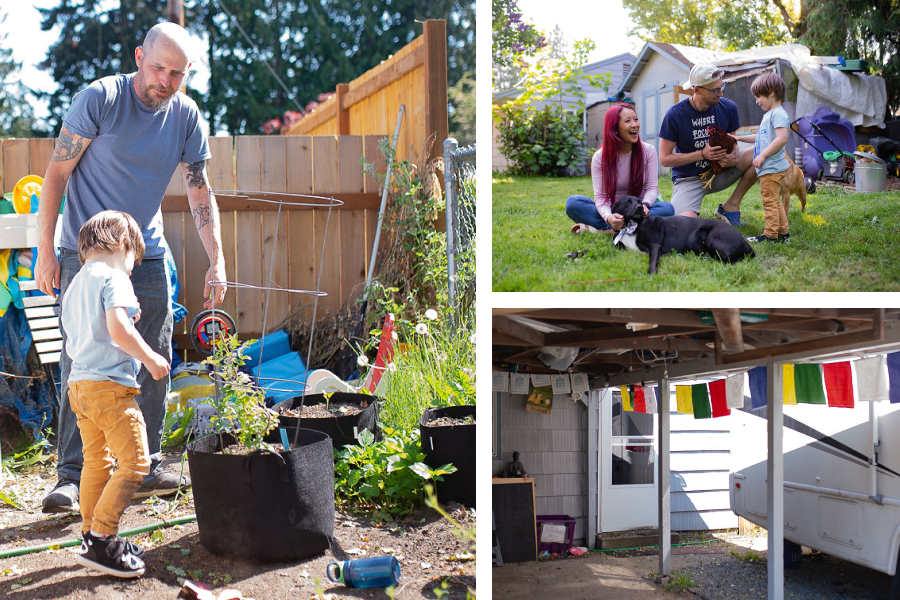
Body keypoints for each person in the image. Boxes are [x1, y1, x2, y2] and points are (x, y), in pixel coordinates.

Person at [35, 22, 227, 513]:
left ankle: (145, 463)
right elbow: (56, 173)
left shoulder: (185, 115)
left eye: (177, 74)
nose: (165, 81)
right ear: (140, 56)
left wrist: (217, 259)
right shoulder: (100, 98)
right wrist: (45, 250)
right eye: (158, 68)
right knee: (83, 359)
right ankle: (72, 477)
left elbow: (200, 189)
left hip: (147, 253)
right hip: (87, 252)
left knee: (153, 355)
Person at [65, 211, 169, 578]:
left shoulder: (77, 282)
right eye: (133, 263)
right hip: (110, 389)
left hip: (80, 387)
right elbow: (117, 327)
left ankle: (89, 538)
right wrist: (151, 357)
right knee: (137, 462)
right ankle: (105, 536)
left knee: (97, 463)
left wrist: (122, 325)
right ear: (124, 245)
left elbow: (91, 331)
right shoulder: (114, 277)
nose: (131, 270)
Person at [658, 63, 757, 223]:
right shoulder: (675, 115)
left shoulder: (729, 108)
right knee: (684, 224)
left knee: (759, 152)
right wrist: (702, 154)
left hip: (721, 172)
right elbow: (664, 159)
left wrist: (733, 156)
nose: (721, 93)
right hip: (689, 179)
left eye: (721, 86)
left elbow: (732, 142)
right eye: (714, 90)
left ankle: (731, 205)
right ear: (696, 89)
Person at [566, 103, 674, 233]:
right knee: (573, 203)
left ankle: (606, 231)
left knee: (668, 209)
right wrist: (608, 217)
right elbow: (601, 197)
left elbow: (652, 188)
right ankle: (628, 227)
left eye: (635, 119)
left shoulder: (648, 151)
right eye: (628, 121)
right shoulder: (600, 157)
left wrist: (645, 205)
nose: (635, 125)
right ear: (615, 128)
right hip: (613, 211)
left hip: (639, 210)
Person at [731, 73, 792, 244]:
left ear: (771, 92)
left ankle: (770, 235)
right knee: (774, 201)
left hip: (771, 166)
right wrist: (740, 138)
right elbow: (760, 138)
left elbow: (782, 138)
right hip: (769, 167)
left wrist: (763, 155)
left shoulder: (778, 114)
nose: (757, 101)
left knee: (769, 202)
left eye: (759, 96)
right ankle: (783, 233)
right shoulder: (771, 114)